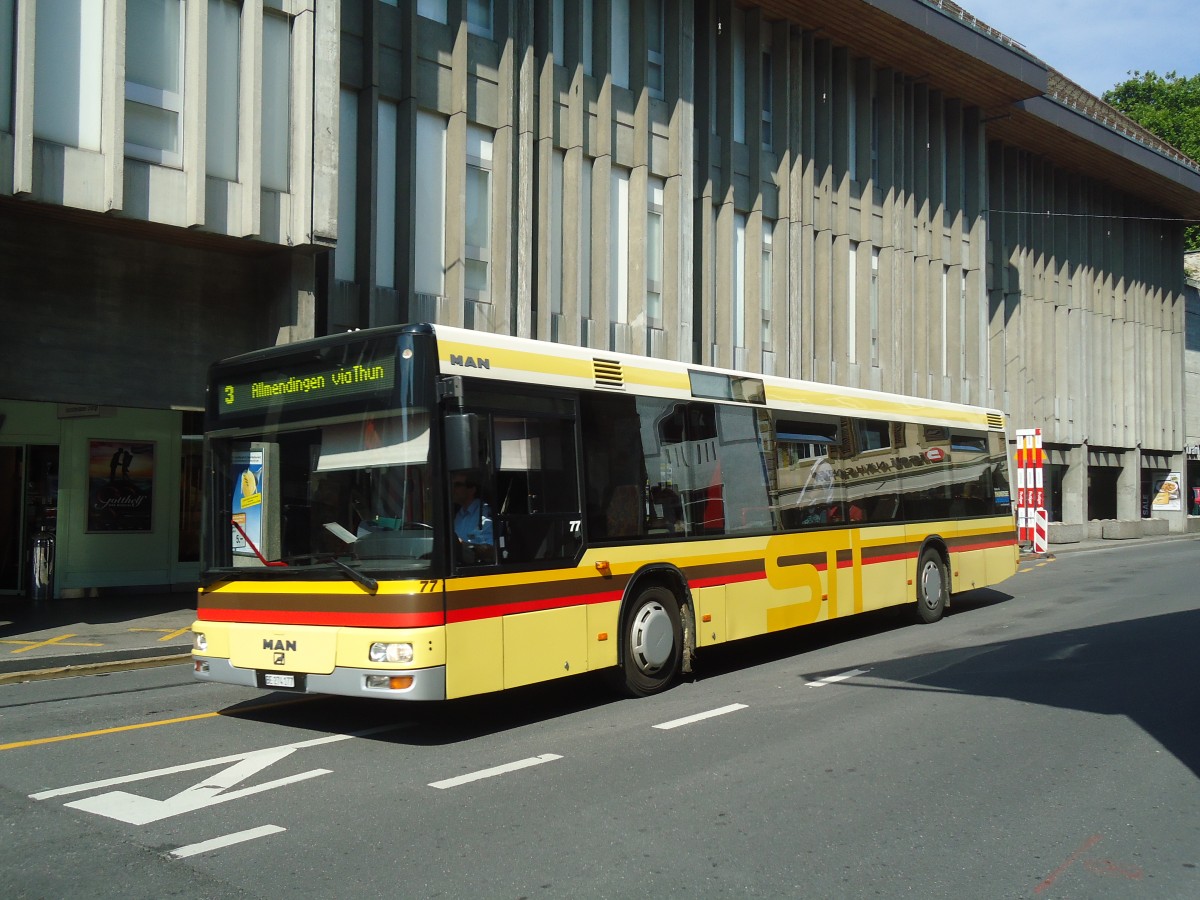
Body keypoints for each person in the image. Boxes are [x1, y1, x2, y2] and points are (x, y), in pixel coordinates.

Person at [451, 471, 493, 562]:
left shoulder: (484, 514)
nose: (452, 489)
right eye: (452, 485)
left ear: (472, 489)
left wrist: (461, 546)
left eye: (457, 485)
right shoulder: (459, 515)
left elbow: (490, 550)